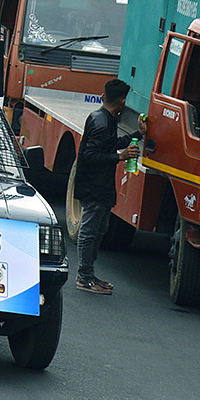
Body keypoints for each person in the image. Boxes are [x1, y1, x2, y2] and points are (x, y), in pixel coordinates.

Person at [73, 78, 145, 294]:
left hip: (102, 185)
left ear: (103, 96)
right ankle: (84, 278)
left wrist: (137, 135)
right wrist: (120, 157)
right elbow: (91, 156)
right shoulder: (101, 122)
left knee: (100, 230)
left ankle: (89, 274)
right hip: (94, 185)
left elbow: (109, 144)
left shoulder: (104, 118)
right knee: (89, 232)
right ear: (123, 101)